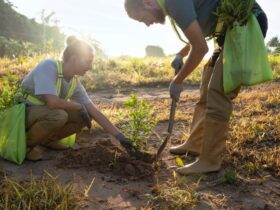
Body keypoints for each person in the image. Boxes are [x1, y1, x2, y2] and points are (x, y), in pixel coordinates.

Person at [124, 0, 267, 175]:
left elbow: (200, 48)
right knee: (206, 88)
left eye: (142, 19)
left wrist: (178, 80)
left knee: (218, 92)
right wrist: (180, 54)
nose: (147, 24)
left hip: (245, 26)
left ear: (146, 2)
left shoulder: (173, 3)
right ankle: (196, 143)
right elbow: (198, 33)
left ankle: (210, 161)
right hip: (226, 33)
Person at [20, 36, 133, 161]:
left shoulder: (74, 83)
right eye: (88, 62)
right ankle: (25, 146)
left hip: (43, 113)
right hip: (23, 112)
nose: (90, 67)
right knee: (59, 115)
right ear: (74, 59)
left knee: (86, 116)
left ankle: (48, 140)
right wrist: (78, 106)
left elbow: (95, 112)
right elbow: (52, 103)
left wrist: (120, 137)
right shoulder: (48, 66)